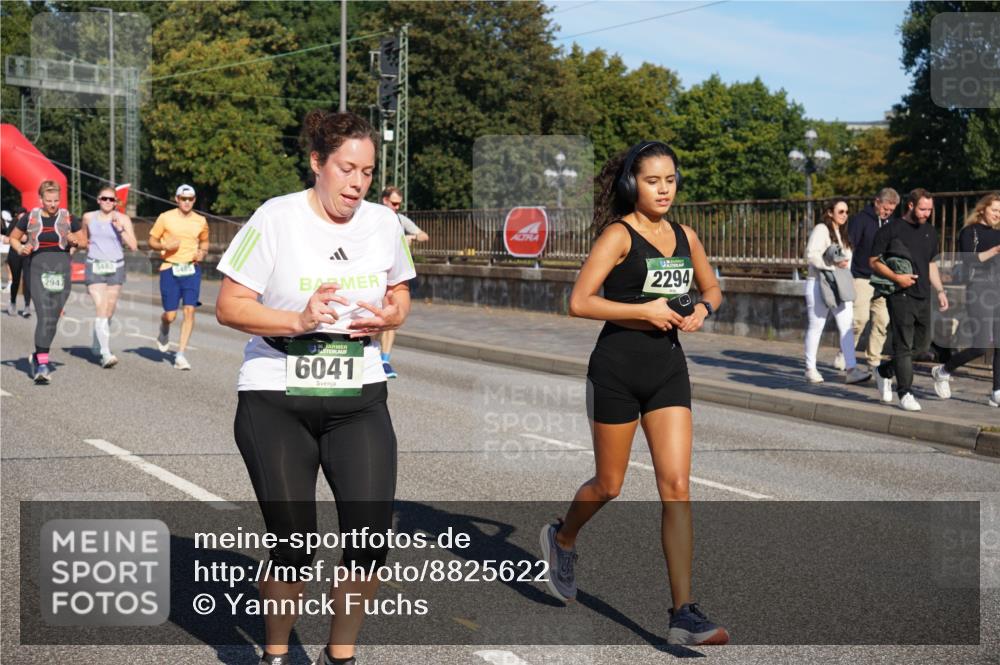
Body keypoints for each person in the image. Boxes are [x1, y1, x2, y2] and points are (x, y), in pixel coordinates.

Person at [215, 109, 415, 665]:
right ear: (317, 164)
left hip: (358, 393)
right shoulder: (275, 218)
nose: (357, 183)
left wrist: (388, 315)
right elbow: (229, 308)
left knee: (371, 541)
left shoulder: (381, 223)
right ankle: (276, 654)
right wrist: (299, 320)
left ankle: (340, 656)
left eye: (368, 172)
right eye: (346, 168)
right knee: (294, 546)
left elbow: (401, 296)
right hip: (275, 394)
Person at [539, 141, 729, 646]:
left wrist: (702, 310)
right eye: (652, 181)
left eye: (670, 179)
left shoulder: (686, 235)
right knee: (610, 484)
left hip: (668, 370)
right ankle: (563, 537)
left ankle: (683, 611)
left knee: (677, 485)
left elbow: (712, 289)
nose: (664, 189)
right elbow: (579, 302)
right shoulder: (618, 236)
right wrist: (644, 311)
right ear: (632, 185)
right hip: (616, 372)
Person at [869, 188, 949, 411]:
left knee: (923, 345)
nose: (926, 214)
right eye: (923, 209)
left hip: (925, 295)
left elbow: (931, 264)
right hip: (900, 294)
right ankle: (905, 393)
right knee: (902, 345)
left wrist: (940, 291)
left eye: (930, 210)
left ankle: (884, 371)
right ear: (911, 206)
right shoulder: (891, 229)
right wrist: (896, 277)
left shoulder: (931, 232)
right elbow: (873, 261)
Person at [7, 180, 86, 384]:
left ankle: (37, 355)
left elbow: (84, 241)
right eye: (49, 200)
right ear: (41, 199)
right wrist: (20, 249)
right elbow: (14, 238)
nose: (53, 204)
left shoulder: (68, 217)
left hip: (61, 268)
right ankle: (42, 364)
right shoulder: (30, 217)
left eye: (56, 200)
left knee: (53, 318)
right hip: (37, 266)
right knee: (44, 315)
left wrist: (74, 240)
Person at [931, 192, 1000, 407]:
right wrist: (995, 251)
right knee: (980, 346)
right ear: (982, 209)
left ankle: (997, 391)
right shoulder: (969, 232)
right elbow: (969, 260)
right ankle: (943, 370)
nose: (998, 215)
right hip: (979, 289)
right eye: (995, 210)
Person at [803, 199, 872, 384]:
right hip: (820, 283)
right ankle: (810, 368)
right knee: (816, 326)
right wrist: (832, 264)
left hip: (840, 285)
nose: (844, 215)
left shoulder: (843, 233)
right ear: (830, 212)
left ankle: (851, 369)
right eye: (840, 211)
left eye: (847, 212)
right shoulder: (821, 229)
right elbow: (810, 255)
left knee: (847, 326)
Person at [148, 184, 209, 370]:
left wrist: (202, 253)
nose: (187, 202)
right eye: (184, 199)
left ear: (194, 200)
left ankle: (180, 355)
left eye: (190, 199)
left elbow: (205, 241)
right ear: (177, 199)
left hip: (191, 269)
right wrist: (165, 245)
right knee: (171, 315)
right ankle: (164, 327)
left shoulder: (201, 221)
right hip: (170, 269)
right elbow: (152, 240)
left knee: (190, 310)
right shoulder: (165, 218)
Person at [81, 186, 138, 368]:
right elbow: (83, 239)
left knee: (109, 310)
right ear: (98, 200)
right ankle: (106, 353)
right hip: (95, 265)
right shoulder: (89, 217)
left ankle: (97, 343)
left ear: (116, 202)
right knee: (101, 307)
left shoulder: (123, 219)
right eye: (104, 198)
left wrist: (120, 229)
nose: (107, 202)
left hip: (116, 267)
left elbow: (134, 246)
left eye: (111, 199)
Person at [377, 185, 427, 378]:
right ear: (384, 200)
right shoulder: (372, 216)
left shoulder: (398, 219)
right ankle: (372, 353)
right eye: (394, 203)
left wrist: (410, 237)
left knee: (391, 316)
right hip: (376, 274)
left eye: (399, 204)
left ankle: (384, 360)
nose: (397, 207)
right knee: (378, 319)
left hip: (395, 275)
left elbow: (424, 235)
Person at [847, 187, 899, 370]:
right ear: (877, 202)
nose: (887, 213)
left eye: (891, 211)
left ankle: (873, 359)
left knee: (882, 320)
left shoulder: (891, 223)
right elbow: (849, 246)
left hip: (883, 279)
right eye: (885, 209)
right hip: (862, 276)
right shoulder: (860, 220)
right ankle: (846, 353)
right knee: (858, 319)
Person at [5, 207, 32, 317]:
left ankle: (27, 306)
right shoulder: (14, 223)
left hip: (27, 255)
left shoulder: (31, 224)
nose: (23, 217)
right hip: (15, 254)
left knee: (27, 279)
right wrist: (19, 239)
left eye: (24, 214)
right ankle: (12, 302)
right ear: (17, 215)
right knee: (16, 280)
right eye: (21, 214)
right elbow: (7, 239)